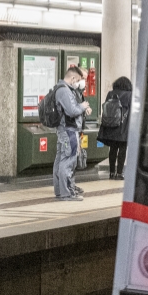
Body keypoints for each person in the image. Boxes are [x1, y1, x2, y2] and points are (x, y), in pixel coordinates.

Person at [52, 65, 92, 201]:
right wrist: (83, 106)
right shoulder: (64, 91)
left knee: (61, 160)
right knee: (68, 161)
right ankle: (66, 193)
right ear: (73, 78)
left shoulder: (62, 89)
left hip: (64, 130)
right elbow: (72, 111)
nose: (81, 82)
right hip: (69, 130)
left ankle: (60, 191)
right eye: (80, 79)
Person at [98, 76, 132, 180]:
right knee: (122, 149)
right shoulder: (129, 95)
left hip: (111, 125)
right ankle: (119, 173)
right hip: (123, 127)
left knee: (112, 149)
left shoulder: (110, 94)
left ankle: (111, 173)